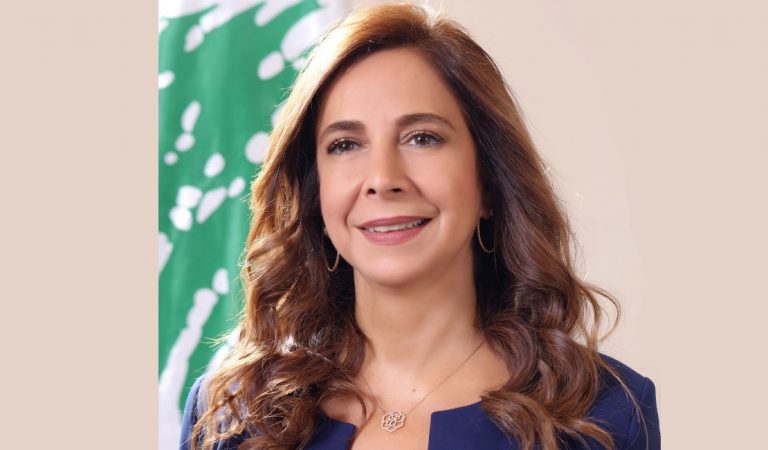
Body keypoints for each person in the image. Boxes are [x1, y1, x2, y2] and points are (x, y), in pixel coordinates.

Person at [179, 3, 661, 450]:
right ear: (315, 192)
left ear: (489, 181)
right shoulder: (231, 414)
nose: (382, 179)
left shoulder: (607, 414)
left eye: (422, 137)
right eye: (345, 145)